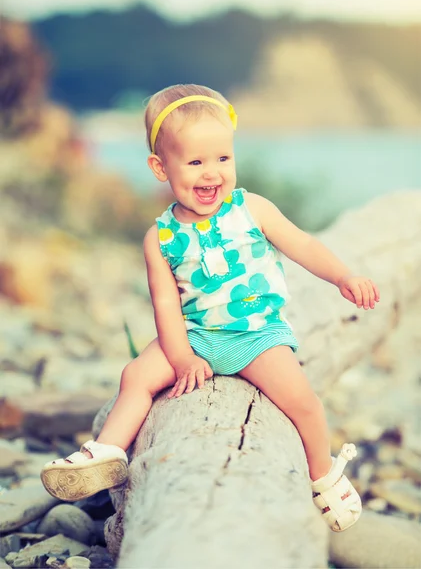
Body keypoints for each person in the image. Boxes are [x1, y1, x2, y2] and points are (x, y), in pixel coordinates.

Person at [41, 84, 380, 532]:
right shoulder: (159, 237)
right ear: (160, 167)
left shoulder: (251, 209)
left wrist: (343, 277)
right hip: (196, 335)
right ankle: (106, 453)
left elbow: (302, 244)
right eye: (196, 162)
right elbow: (165, 303)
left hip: (255, 334)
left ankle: (322, 475)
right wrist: (182, 358)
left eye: (223, 158)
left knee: (303, 401)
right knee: (136, 376)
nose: (212, 173)